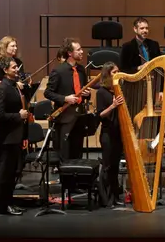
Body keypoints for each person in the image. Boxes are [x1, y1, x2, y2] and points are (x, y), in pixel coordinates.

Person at [44, 38, 91, 161]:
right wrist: (65, 98)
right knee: (65, 154)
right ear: (70, 53)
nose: (82, 52)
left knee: (77, 152)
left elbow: (84, 91)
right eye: (78, 50)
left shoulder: (81, 70)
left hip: (79, 116)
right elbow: (48, 93)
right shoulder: (58, 71)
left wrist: (87, 94)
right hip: (65, 117)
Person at [0, 56, 29, 216]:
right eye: (14, 67)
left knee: (13, 172)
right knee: (5, 174)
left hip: (16, 135)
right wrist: (18, 115)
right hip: (7, 137)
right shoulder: (2, 87)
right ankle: (3, 206)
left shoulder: (14, 85)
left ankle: (9, 202)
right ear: (6, 70)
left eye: (17, 67)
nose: (17, 70)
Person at [95, 62, 125, 208]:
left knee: (115, 167)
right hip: (107, 134)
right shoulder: (102, 92)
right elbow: (100, 114)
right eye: (114, 72)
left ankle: (115, 196)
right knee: (107, 167)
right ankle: (105, 199)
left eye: (118, 71)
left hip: (118, 133)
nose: (117, 74)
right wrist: (113, 106)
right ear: (107, 75)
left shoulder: (117, 91)